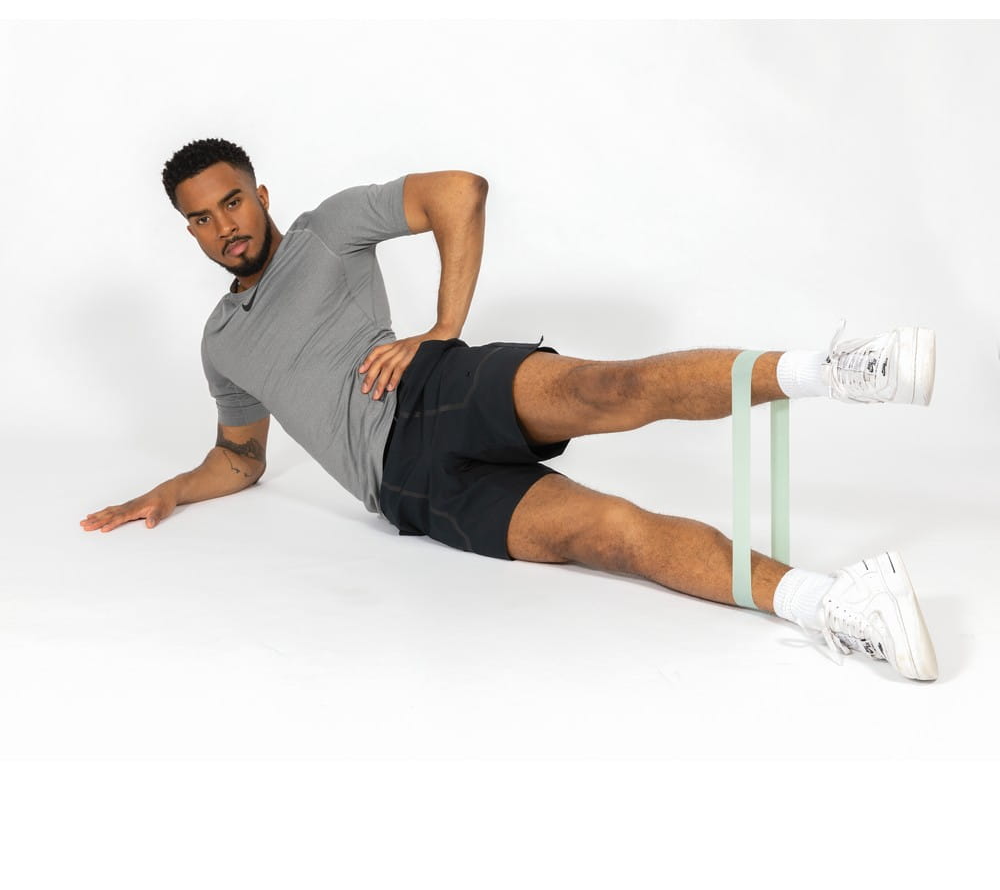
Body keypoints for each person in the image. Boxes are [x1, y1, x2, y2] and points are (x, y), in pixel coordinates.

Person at [80, 138, 939, 682]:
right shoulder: (220, 343)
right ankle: (835, 606)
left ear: (261, 193)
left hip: (436, 389)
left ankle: (837, 370)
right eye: (202, 218)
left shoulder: (324, 230)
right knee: (611, 537)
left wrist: (441, 328)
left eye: (233, 201)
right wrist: (169, 492)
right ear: (189, 231)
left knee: (613, 390)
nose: (225, 225)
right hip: (410, 494)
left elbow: (459, 190)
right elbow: (241, 457)